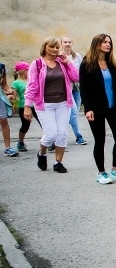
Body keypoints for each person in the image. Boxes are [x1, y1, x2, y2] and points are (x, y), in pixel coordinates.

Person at [23, 38, 80, 172]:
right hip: (44, 105)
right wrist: (27, 106)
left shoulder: (62, 62)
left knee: (62, 134)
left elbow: (77, 78)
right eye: (51, 47)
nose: (54, 50)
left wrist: (68, 62)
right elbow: (32, 86)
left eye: (56, 47)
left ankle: (58, 162)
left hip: (63, 103)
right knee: (51, 135)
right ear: (45, 47)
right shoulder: (36, 64)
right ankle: (42, 153)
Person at [80, 34, 116, 184]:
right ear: (97, 44)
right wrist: (87, 109)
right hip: (96, 108)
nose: (108, 44)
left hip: (113, 107)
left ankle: (115, 169)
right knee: (99, 140)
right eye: (104, 42)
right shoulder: (87, 63)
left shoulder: (111, 64)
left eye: (109, 42)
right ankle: (101, 172)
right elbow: (84, 89)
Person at [62, 36, 87, 145]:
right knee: (73, 111)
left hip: (77, 87)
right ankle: (78, 136)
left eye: (69, 42)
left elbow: (82, 70)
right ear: (61, 44)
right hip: (66, 88)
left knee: (73, 113)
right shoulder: (60, 56)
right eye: (65, 42)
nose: (67, 44)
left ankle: (60, 134)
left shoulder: (76, 56)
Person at [11, 62, 34, 152]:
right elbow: (13, 95)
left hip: (36, 105)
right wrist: (11, 97)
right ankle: (20, 142)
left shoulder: (31, 80)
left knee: (43, 123)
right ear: (23, 71)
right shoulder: (16, 83)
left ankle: (50, 142)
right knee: (25, 126)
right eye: (28, 70)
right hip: (23, 106)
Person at [0, 63, 17, 156]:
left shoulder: (1, 67)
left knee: (3, 120)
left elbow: (4, 84)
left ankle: (8, 148)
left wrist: (9, 91)